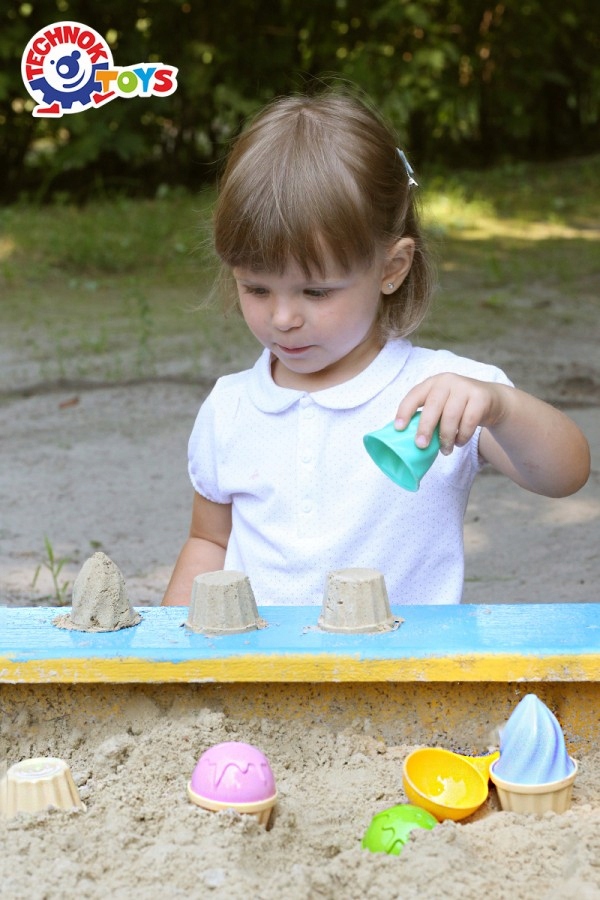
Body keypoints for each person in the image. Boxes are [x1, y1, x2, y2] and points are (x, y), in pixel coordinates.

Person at [162, 87, 590, 607]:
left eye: (315, 292)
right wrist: (173, 659)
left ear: (392, 269)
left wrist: (501, 407)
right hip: (263, 682)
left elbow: (566, 474)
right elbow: (209, 541)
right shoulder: (229, 409)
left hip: (408, 681)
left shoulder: (441, 393)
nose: (282, 318)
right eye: (256, 288)